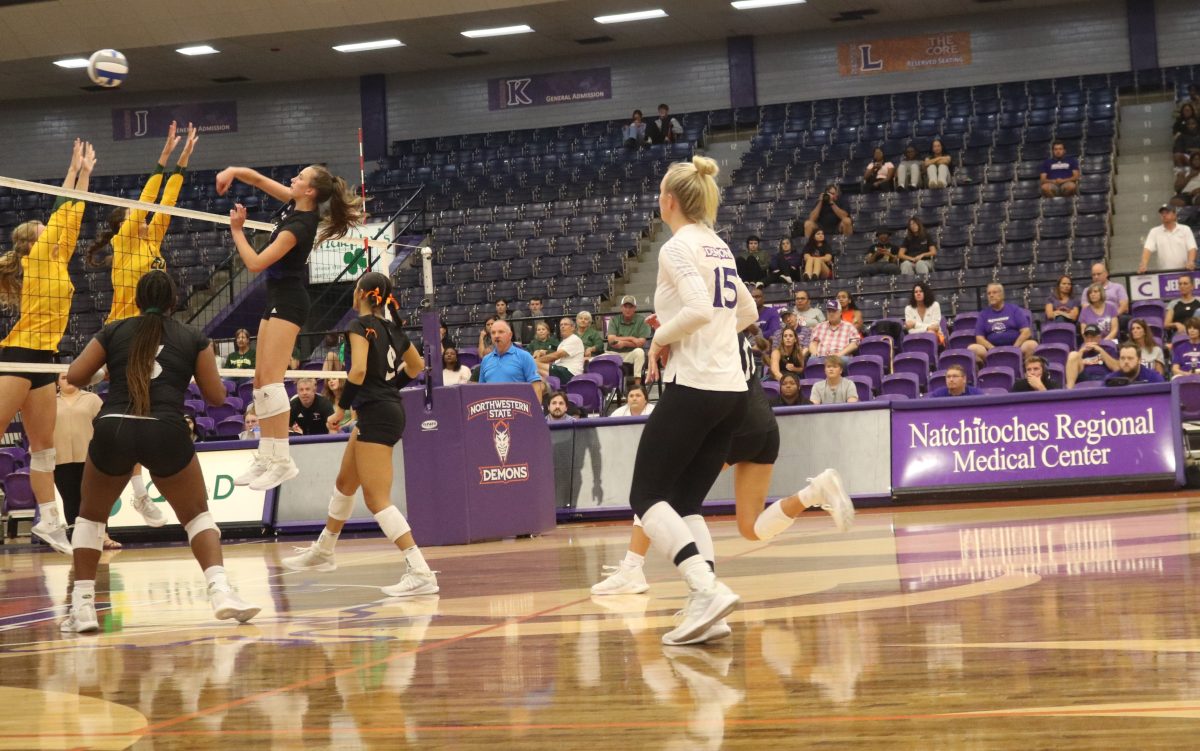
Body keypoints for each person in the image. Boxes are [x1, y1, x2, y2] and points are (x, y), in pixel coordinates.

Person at [61, 270, 260, 632]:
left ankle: (84, 607)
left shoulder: (114, 330)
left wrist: (107, 371)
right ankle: (221, 592)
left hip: (115, 425)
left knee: (91, 519)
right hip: (165, 428)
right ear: (174, 302)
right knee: (198, 516)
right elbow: (216, 397)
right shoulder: (192, 337)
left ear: (137, 300)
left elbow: (74, 376)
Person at [592, 334, 853, 600]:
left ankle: (644, 573)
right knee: (751, 528)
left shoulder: (708, 333)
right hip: (764, 428)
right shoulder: (731, 325)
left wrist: (662, 338)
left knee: (662, 494)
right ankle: (813, 493)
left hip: (731, 425)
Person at [626, 154, 762, 646]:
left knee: (645, 497)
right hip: (732, 393)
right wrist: (704, 337)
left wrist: (661, 340)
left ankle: (705, 589)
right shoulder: (719, 246)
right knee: (686, 503)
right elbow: (745, 311)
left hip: (697, 386)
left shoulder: (676, 247)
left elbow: (699, 310)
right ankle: (711, 610)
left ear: (668, 201)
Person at [280, 272, 437, 597]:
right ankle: (324, 550)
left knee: (376, 499)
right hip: (384, 410)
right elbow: (416, 366)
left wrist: (342, 409)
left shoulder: (359, 325)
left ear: (363, 293)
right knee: (345, 483)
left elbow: (359, 371)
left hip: (377, 414)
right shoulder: (393, 328)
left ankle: (419, 570)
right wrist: (387, 390)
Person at [220, 161, 364, 491]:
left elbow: (255, 264)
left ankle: (282, 460)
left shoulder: (298, 226)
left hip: (290, 301)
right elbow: (256, 179)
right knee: (259, 381)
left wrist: (238, 231)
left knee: (271, 382)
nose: (293, 180)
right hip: (277, 299)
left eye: (299, 178)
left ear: (310, 191)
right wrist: (231, 172)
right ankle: (267, 456)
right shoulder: (295, 201)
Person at [0, 139, 94, 555]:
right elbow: (63, 209)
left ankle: (50, 522)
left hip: (45, 360)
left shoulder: (57, 259)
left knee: (44, 449)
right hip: (17, 357)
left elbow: (74, 215)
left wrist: (86, 175)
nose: (50, 231)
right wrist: (72, 171)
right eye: (43, 230)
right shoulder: (36, 259)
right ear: (30, 242)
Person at [88, 122, 198, 323]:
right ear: (123, 225)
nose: (144, 217)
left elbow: (168, 202)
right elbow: (146, 200)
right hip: (124, 323)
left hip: (152, 322)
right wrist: (164, 156)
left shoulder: (152, 240)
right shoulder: (123, 241)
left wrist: (185, 156)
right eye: (135, 216)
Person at [53, 374, 119, 550]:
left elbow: (105, 426)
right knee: (70, 499)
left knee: (95, 499)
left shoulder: (92, 399)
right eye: (63, 377)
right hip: (61, 459)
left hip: (89, 457)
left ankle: (103, 536)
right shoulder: (50, 402)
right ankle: (76, 539)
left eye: (71, 376)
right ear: (57, 382)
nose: (68, 380)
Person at [967, 283, 1038, 366]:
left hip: (1016, 347)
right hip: (991, 350)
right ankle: (984, 373)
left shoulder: (1014, 309)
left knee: (1031, 345)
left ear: (1002, 295)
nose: (991, 295)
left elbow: (1026, 332)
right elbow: (979, 338)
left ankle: (1027, 373)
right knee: (972, 348)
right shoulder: (983, 314)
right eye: (989, 293)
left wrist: (1015, 348)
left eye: (994, 292)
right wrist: (992, 349)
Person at [479, 320, 545, 402]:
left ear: (510, 335)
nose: (496, 336)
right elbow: (481, 390)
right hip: (493, 412)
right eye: (493, 333)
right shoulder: (486, 360)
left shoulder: (524, 356)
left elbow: (536, 387)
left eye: (500, 332)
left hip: (518, 411)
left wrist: (536, 413)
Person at [1139, 204, 1197, 273]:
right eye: (1162, 213)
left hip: (1184, 271)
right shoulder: (1154, 231)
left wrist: (1190, 261)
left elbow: (1192, 248)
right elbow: (1147, 249)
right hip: (1164, 273)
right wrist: (1144, 264)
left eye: (1167, 213)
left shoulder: (1185, 229)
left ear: (1175, 215)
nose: (1164, 215)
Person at [607, 296, 652, 384]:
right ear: (621, 308)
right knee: (600, 358)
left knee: (640, 352)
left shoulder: (642, 321)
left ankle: (637, 384)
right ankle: (606, 388)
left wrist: (624, 343)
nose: (627, 309)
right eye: (625, 306)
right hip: (614, 353)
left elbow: (640, 343)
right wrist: (631, 338)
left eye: (630, 307)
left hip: (631, 354)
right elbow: (611, 339)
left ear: (634, 308)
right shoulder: (614, 320)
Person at [534, 317, 585, 385]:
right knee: (535, 370)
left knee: (533, 364)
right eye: (561, 325)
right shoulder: (563, 342)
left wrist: (537, 360)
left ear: (573, 327)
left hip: (570, 373)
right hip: (561, 370)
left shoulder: (574, 339)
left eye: (565, 324)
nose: (563, 326)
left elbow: (556, 355)